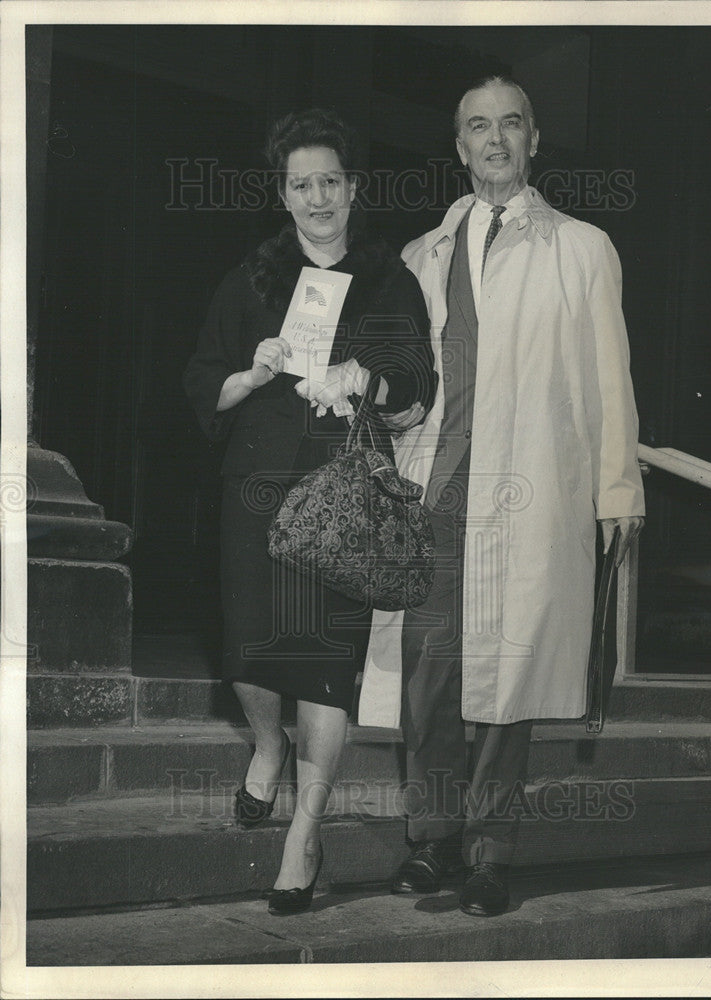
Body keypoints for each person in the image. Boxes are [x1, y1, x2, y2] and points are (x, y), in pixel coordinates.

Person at [358, 76, 646, 916]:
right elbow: (407, 382)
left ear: (532, 141)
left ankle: (487, 852)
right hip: (434, 492)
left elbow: (608, 378)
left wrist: (615, 487)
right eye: (477, 127)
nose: (493, 140)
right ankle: (430, 841)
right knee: (431, 675)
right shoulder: (420, 256)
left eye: (509, 125)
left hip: (527, 492)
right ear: (457, 147)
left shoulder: (581, 249)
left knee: (508, 680)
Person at [183, 108, 435, 915]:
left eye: (331, 180)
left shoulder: (392, 280)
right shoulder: (248, 280)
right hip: (253, 487)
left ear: (353, 188)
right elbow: (204, 387)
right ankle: (265, 744)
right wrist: (254, 375)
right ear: (284, 195)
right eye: (302, 184)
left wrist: (366, 374)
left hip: (344, 496)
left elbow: (416, 388)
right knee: (251, 652)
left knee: (327, 661)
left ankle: (307, 831)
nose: (318, 196)